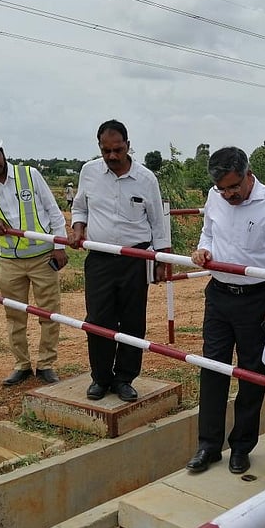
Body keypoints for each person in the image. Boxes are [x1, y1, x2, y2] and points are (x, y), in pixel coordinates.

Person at [187, 146, 265, 475]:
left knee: (251, 374)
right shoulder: (214, 197)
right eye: (223, 189)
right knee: (212, 368)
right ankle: (208, 445)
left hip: (257, 300)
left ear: (249, 175)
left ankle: (242, 446)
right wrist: (203, 249)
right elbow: (208, 231)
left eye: (234, 187)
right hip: (218, 295)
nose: (229, 194)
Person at [69, 120, 171, 402]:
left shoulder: (146, 178)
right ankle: (100, 378)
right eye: (106, 151)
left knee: (132, 320)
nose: (112, 156)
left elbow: (157, 221)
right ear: (99, 148)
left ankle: (125, 378)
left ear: (128, 145)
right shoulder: (89, 172)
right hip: (100, 258)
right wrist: (78, 228)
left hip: (134, 259)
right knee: (98, 320)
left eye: (118, 149)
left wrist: (162, 258)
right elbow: (80, 207)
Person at [0, 128, 68, 386]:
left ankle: (46, 364)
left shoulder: (30, 175)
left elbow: (53, 211)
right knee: (14, 316)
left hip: (42, 256)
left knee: (49, 313)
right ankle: (21, 365)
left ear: (2, 151)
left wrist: (60, 245)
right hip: (9, 261)